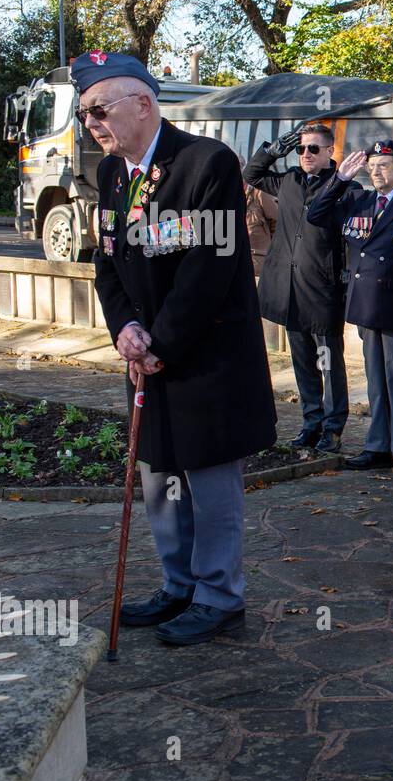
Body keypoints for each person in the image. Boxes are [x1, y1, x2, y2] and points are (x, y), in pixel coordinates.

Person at [76, 50, 277, 646]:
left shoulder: (204, 163)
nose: (91, 123)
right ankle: (179, 584)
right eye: (84, 115)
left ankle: (219, 597)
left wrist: (158, 343)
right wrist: (123, 330)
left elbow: (206, 272)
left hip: (204, 361)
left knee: (211, 484)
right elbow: (106, 262)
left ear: (143, 103)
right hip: (148, 359)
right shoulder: (113, 175)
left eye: (98, 109)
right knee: (159, 478)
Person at [307, 139, 393, 475]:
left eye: (383, 165)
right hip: (366, 303)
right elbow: (316, 214)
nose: (376, 172)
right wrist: (339, 179)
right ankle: (378, 446)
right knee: (376, 381)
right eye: (372, 166)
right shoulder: (358, 199)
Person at [245, 122, 353, 453]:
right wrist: (273, 149)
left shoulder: (345, 186)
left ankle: (333, 427)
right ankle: (312, 421)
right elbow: (251, 174)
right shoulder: (289, 180)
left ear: (329, 152)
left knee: (328, 362)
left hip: (322, 289)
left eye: (313, 149)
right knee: (303, 359)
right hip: (289, 288)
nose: (305, 154)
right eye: (301, 149)